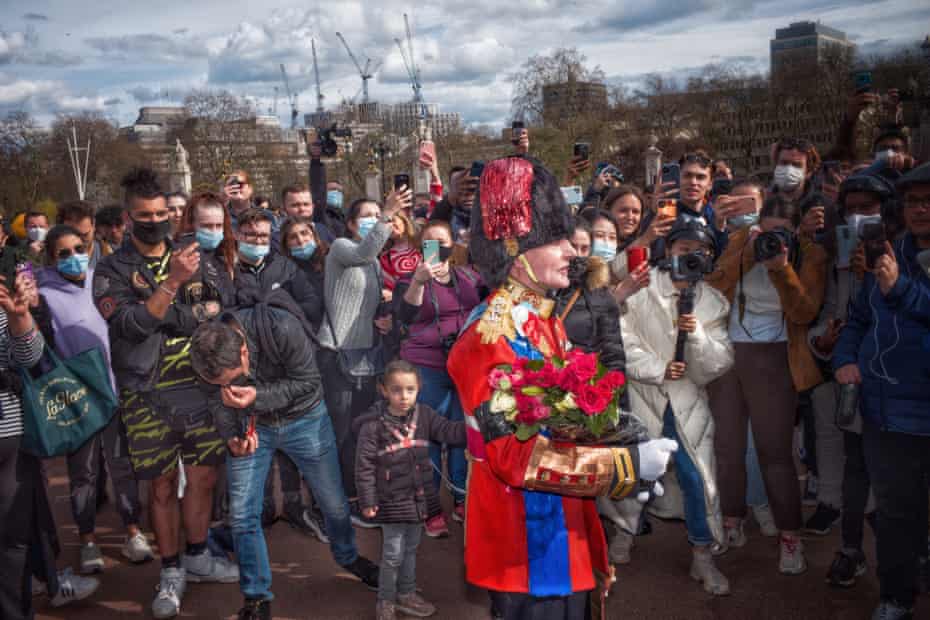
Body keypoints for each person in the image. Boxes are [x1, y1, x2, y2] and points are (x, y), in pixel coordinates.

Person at [446, 154, 677, 619]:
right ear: (515, 249)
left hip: (557, 518)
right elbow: (515, 458)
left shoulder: (540, 319)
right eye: (557, 241)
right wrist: (622, 469)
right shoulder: (489, 337)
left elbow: (567, 420)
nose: (574, 252)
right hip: (523, 535)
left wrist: (622, 443)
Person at [94, 168, 239, 619]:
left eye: (162, 213)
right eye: (145, 215)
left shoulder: (194, 253)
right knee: (159, 487)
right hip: (146, 394)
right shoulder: (112, 268)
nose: (155, 221)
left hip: (199, 390)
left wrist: (168, 310)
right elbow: (130, 325)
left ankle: (197, 555)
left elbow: (215, 308)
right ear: (127, 217)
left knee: (203, 480)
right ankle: (172, 568)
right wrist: (173, 285)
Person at [190, 302, 380, 620]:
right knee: (242, 515)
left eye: (232, 379)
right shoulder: (203, 350)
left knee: (333, 504)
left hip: (306, 420)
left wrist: (257, 396)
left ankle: (348, 557)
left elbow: (309, 383)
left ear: (244, 353)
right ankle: (256, 599)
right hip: (252, 428)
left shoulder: (281, 326)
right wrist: (232, 437)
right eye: (220, 382)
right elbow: (216, 401)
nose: (227, 386)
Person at [706, 193, 827, 575]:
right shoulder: (743, 244)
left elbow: (805, 311)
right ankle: (731, 522)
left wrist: (782, 268)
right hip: (729, 354)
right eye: (769, 233)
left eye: (783, 234)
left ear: (796, 233)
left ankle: (790, 537)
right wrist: (743, 250)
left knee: (775, 453)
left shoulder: (812, 255)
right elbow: (712, 288)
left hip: (775, 356)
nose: (775, 241)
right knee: (727, 448)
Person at [833, 162, 930, 620]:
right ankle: (895, 598)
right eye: (912, 201)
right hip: (887, 412)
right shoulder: (883, 251)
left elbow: (907, 300)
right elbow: (858, 319)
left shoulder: (894, 271)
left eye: (928, 200)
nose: (920, 209)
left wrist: (901, 289)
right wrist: (845, 359)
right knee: (893, 513)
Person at [619, 219, 733, 594]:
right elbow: (623, 340)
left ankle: (703, 555)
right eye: (683, 249)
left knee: (698, 477)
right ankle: (622, 537)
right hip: (644, 396)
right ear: (668, 251)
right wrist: (658, 368)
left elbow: (718, 363)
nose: (690, 257)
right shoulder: (641, 289)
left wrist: (696, 334)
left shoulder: (713, 303)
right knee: (630, 474)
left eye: (699, 252)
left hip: (687, 402)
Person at [37, 225, 153, 574]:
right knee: (84, 473)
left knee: (122, 466)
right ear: (51, 258)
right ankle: (88, 540)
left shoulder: (101, 280)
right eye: (63, 253)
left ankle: (133, 531)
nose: (74, 257)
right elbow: (41, 350)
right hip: (79, 401)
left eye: (79, 248)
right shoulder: (43, 295)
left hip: (115, 392)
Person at [0, 271, 101, 618]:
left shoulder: (3, 294)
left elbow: (30, 358)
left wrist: (20, 317)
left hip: (9, 436)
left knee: (13, 541)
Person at [809, 172, 894, 587]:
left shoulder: (907, 252)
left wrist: (876, 275)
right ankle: (851, 549)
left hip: (898, 383)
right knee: (855, 466)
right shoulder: (838, 256)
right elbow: (830, 312)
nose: (860, 216)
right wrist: (824, 341)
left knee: (900, 475)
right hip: (850, 375)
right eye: (853, 209)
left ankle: (907, 554)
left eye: (870, 208)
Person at [317, 188, 412, 522]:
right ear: (351, 223)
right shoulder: (344, 248)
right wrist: (387, 215)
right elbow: (364, 250)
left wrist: (383, 314)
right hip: (337, 355)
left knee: (360, 430)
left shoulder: (373, 260)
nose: (374, 220)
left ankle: (358, 495)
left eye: (378, 214)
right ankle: (338, 501)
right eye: (367, 216)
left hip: (365, 355)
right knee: (340, 432)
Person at [392, 220, 483, 537]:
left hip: (465, 367)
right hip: (426, 367)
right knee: (427, 437)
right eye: (429, 242)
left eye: (442, 241)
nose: (437, 248)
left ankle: (461, 497)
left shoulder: (470, 277)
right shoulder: (409, 280)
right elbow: (405, 316)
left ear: (453, 244)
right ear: (420, 247)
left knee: (462, 435)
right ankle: (430, 507)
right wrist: (418, 282)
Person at [355, 360, 467, 620]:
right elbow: (364, 467)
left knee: (411, 549)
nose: (403, 396)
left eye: (409, 390)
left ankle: (405, 594)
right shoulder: (373, 426)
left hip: (420, 500)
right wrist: (367, 500)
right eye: (396, 390)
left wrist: (476, 426)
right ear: (383, 390)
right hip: (391, 501)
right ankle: (385, 600)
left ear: (419, 389)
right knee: (392, 554)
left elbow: (449, 431)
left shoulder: (425, 415)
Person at [232, 209, 321, 327]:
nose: (258, 240)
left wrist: (282, 314)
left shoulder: (286, 267)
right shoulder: (228, 270)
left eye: (264, 235)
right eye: (251, 234)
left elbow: (311, 303)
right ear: (237, 235)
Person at [176, 192, 237, 280]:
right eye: (207, 226)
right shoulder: (181, 258)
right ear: (192, 223)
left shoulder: (227, 254)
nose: (214, 231)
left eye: (219, 225)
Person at [57, 200, 112, 270]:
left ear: (93, 225)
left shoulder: (109, 256)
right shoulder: (49, 258)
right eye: (72, 236)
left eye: (85, 235)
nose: (79, 241)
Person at [379, 211, 420, 294]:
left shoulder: (423, 243)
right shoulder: (385, 258)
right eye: (385, 224)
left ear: (403, 219)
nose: (389, 226)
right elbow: (393, 289)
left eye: (392, 220)